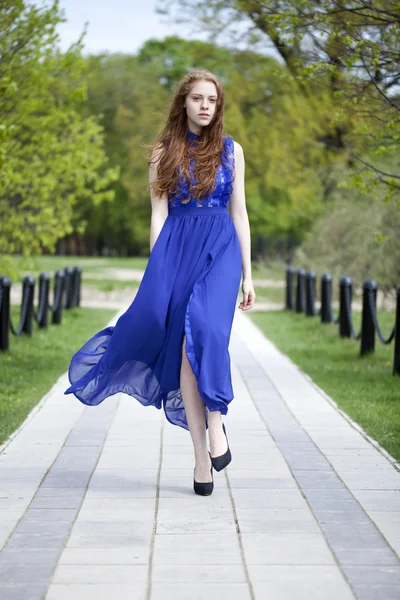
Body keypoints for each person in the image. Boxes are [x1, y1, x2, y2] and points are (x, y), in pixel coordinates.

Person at [64, 68, 255, 496]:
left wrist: (248, 273)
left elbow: (240, 212)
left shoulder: (232, 151)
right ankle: (201, 459)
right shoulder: (162, 153)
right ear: (183, 102)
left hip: (220, 248)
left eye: (212, 100)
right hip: (177, 248)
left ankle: (217, 421)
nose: (206, 106)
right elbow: (158, 215)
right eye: (197, 99)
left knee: (206, 329)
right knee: (183, 348)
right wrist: (159, 272)